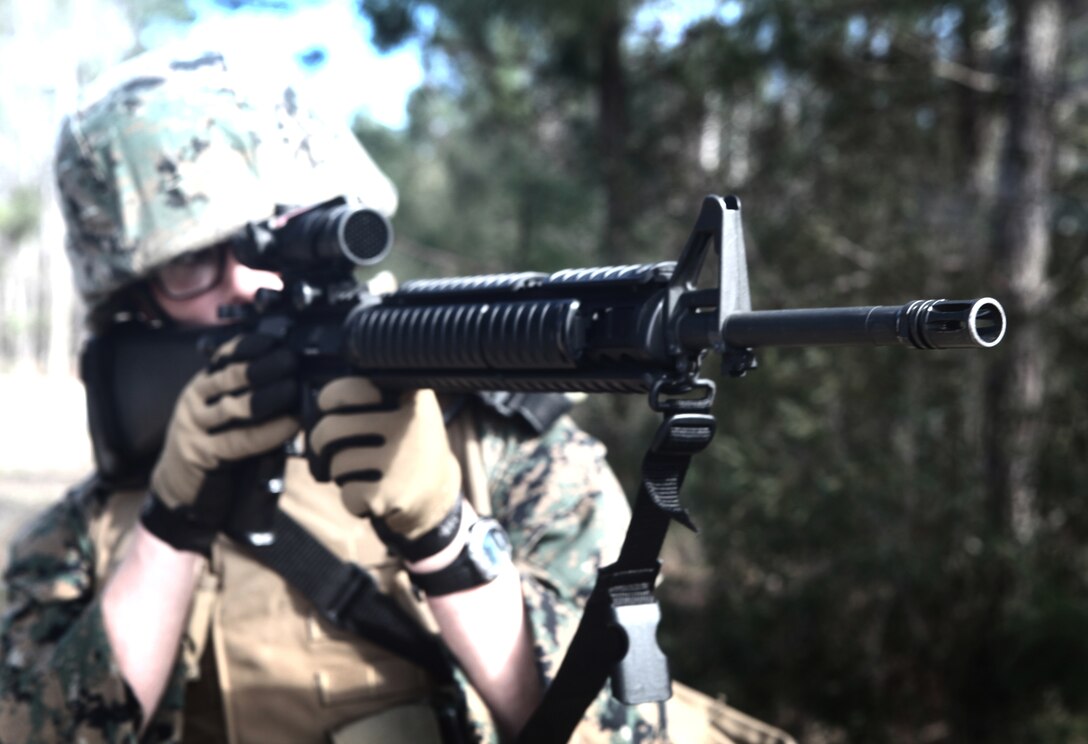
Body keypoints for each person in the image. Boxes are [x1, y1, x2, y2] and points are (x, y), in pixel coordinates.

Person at [0, 49, 793, 744]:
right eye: (189, 265)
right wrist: (169, 524)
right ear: (134, 299)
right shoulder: (90, 532)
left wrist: (447, 536)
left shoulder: (505, 452)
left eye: (278, 228)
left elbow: (629, 734)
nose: (247, 282)